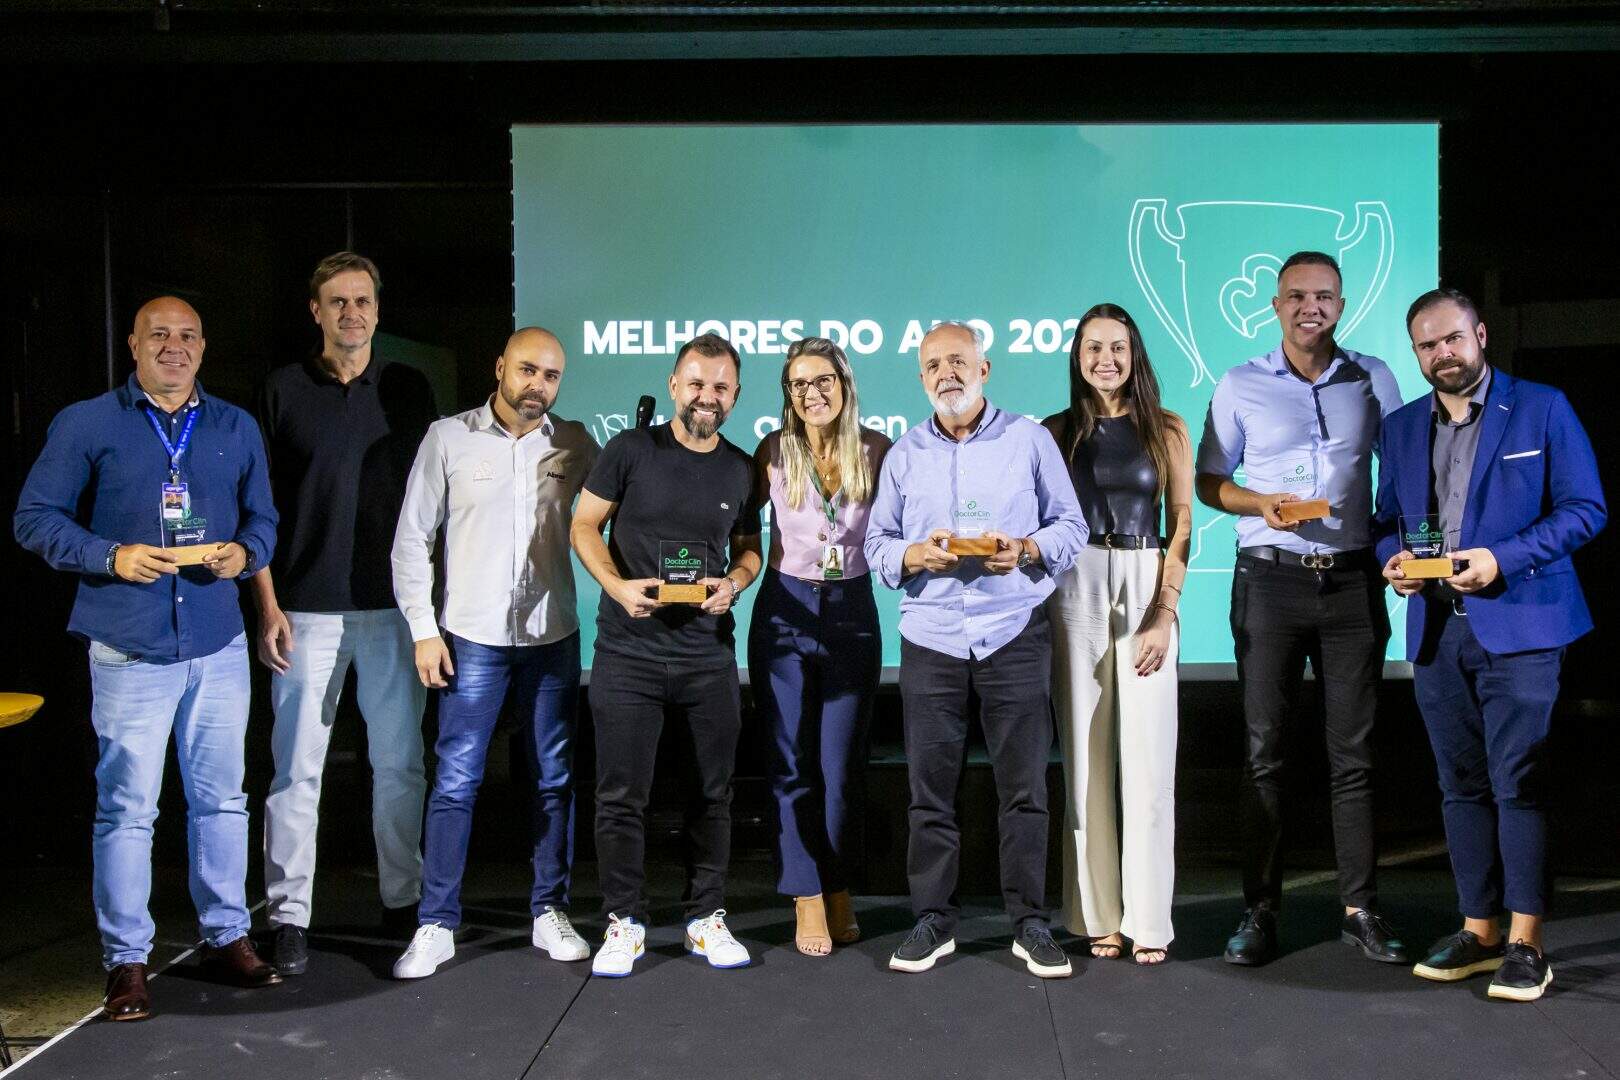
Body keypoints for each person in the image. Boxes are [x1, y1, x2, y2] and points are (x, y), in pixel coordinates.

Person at [14, 297, 281, 1021]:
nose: (173, 346)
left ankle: (228, 936)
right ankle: (126, 962)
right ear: (133, 345)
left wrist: (244, 553)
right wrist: (110, 555)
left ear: (203, 346)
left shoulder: (234, 425)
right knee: (128, 810)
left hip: (218, 642)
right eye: (158, 334)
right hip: (129, 646)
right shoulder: (87, 423)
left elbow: (263, 517)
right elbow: (33, 518)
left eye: (187, 335)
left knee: (223, 800)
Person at [1376, 288, 1605, 1002]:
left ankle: (1526, 942)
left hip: (1523, 626)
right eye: (1427, 345)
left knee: (1518, 783)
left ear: (1479, 335)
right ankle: (1478, 931)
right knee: (1460, 787)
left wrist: (1501, 558)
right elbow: (1386, 522)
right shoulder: (1402, 426)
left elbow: (1586, 509)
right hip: (1437, 630)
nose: (1441, 353)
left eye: (1452, 338)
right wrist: (1393, 562)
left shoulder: (1542, 407)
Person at [1195, 250, 1410, 967]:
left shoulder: (1374, 377)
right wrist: (1260, 503)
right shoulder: (1241, 382)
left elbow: (1403, 470)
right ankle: (1259, 911)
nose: (1309, 307)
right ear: (1276, 305)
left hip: (1351, 583)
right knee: (1264, 755)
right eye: (1295, 296)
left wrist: (1406, 546)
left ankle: (1360, 909)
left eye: (1323, 296)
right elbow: (1209, 480)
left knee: (1354, 756)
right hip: (1269, 580)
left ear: (1341, 306)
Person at [865, 321, 1088, 978]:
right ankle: (934, 921)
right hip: (930, 638)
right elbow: (877, 545)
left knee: (1025, 790)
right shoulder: (903, 454)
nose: (948, 374)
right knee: (929, 793)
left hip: (1012, 631)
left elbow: (1071, 526)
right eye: (934, 365)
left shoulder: (1029, 440)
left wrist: (1027, 549)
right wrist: (915, 554)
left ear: (984, 369)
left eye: (959, 361)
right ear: (921, 378)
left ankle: (1030, 924)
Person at [388, 328, 599, 978]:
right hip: (471, 638)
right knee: (456, 780)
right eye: (528, 369)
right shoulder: (447, 438)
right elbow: (412, 539)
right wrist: (424, 630)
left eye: (551, 375)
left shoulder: (575, 443)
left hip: (551, 637)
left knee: (554, 779)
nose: (538, 384)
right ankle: (436, 922)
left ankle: (549, 910)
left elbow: (612, 514)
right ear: (500, 366)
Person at [254, 252, 437, 974]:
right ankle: (289, 918)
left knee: (401, 766)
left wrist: (428, 611)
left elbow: (433, 503)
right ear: (316, 311)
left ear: (378, 311)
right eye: (337, 301)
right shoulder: (281, 390)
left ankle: (403, 902)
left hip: (393, 609)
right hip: (304, 611)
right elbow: (256, 507)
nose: (351, 312)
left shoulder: (409, 390)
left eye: (362, 301)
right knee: (296, 773)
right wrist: (268, 604)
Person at [570, 332, 763, 978]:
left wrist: (734, 583)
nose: (708, 396)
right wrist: (617, 586)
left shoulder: (741, 468)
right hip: (629, 655)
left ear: (735, 396)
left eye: (721, 387)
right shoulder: (630, 450)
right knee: (622, 796)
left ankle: (705, 917)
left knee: (713, 793)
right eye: (698, 383)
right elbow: (583, 524)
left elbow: (750, 549)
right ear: (675, 385)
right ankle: (624, 921)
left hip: (708, 656)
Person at [1041, 304, 1191, 966]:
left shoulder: (1168, 428)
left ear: (1135, 355)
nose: (1107, 359)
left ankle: (1149, 920)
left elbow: (1182, 523)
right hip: (1075, 583)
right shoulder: (1053, 432)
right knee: (1084, 759)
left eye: (1118, 347)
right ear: (1077, 357)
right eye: (1094, 348)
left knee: (1151, 763)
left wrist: (1165, 609)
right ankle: (1096, 914)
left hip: (1146, 575)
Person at [748, 337, 889, 956]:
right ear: (788, 393)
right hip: (785, 608)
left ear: (844, 384)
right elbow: (731, 524)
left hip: (852, 609)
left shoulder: (879, 449)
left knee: (840, 766)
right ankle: (805, 892)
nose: (812, 393)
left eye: (823, 380)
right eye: (799, 384)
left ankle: (837, 883)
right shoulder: (773, 450)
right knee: (790, 761)